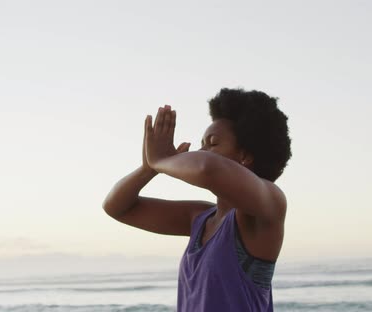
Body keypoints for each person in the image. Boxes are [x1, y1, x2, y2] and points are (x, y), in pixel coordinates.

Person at [102, 87, 292, 311]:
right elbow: (117, 208)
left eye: (212, 143)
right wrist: (148, 169)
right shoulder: (200, 218)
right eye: (202, 144)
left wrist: (161, 160)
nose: (201, 151)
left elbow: (207, 169)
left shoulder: (268, 204)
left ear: (245, 156)